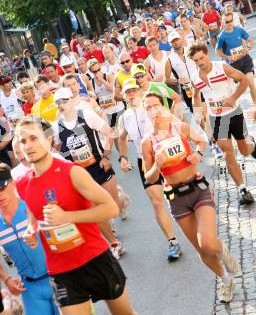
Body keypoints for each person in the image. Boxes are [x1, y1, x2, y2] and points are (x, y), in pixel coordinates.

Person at [14, 115, 137, 315]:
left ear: (49, 139)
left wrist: (68, 217)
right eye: (23, 141)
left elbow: (110, 208)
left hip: (94, 258)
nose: (28, 145)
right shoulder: (22, 182)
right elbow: (32, 208)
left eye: (33, 138)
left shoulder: (71, 172)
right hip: (60, 269)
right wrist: (31, 228)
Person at [141, 92, 240, 303]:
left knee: (208, 244)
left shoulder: (178, 127)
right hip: (176, 197)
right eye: (148, 108)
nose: (153, 111)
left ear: (164, 107)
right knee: (200, 249)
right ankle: (225, 280)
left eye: (155, 106)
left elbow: (201, 140)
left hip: (197, 188)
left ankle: (223, 251)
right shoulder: (147, 142)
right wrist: (157, 165)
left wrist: (198, 153)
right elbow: (149, 178)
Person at [53, 88, 128, 257]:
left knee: (114, 207)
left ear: (72, 100)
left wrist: (106, 156)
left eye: (64, 100)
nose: (61, 105)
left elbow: (110, 133)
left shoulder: (86, 115)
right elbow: (58, 149)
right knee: (98, 211)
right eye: (58, 102)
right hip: (81, 175)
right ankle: (114, 244)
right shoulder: (56, 126)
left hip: (99, 165)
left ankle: (121, 197)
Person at [118, 79, 182, 261]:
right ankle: (173, 242)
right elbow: (122, 138)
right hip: (144, 161)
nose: (131, 94)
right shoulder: (124, 118)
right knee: (157, 202)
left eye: (133, 91)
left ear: (139, 91)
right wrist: (123, 157)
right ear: (123, 96)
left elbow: (174, 122)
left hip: (166, 155)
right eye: (127, 92)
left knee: (177, 195)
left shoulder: (151, 108)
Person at [189, 42, 256, 205]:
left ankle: (252, 144)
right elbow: (195, 95)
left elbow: (245, 80)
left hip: (233, 113)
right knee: (227, 152)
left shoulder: (222, 67)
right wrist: (198, 115)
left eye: (202, 58)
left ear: (207, 54)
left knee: (244, 150)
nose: (200, 62)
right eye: (196, 60)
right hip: (216, 118)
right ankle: (242, 190)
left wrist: (233, 98)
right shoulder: (195, 78)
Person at [0, 162, 59, 315]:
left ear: (12, 184)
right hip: (29, 287)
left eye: (2, 187)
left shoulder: (33, 207)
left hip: (59, 278)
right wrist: (6, 279)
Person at [216, 12, 256, 115]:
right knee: (231, 89)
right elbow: (217, 50)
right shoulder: (222, 36)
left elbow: (250, 41)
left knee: (250, 82)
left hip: (245, 60)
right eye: (227, 22)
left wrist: (248, 47)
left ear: (233, 20)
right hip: (233, 65)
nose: (229, 23)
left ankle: (255, 107)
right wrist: (227, 57)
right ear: (223, 22)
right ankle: (231, 111)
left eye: (230, 21)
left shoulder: (239, 29)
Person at [88, 59, 124, 151]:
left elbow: (113, 89)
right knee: (115, 135)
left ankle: (124, 156)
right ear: (91, 71)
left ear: (100, 67)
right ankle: (122, 157)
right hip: (106, 112)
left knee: (121, 135)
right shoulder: (91, 82)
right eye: (94, 71)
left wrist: (102, 80)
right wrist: (91, 95)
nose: (97, 73)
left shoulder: (109, 76)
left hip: (117, 109)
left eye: (98, 70)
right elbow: (94, 96)